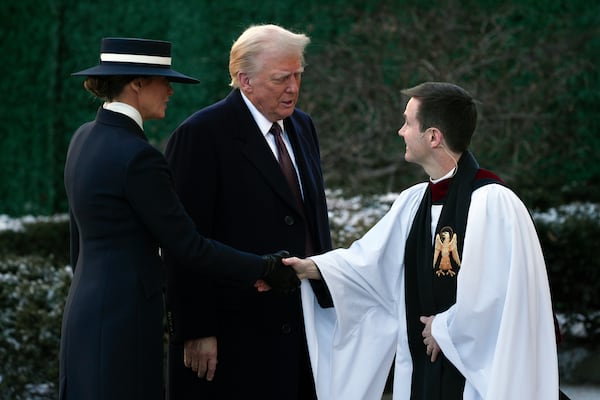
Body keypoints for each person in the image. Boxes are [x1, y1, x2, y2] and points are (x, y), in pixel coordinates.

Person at [284, 82, 559, 399]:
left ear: (433, 137)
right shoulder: (412, 202)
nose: (400, 131)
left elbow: (501, 295)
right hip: (421, 373)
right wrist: (309, 267)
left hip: (473, 380)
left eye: (407, 122)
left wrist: (444, 328)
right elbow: (368, 263)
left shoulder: (494, 203)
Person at [59, 37, 294, 400]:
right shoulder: (139, 158)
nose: (169, 90)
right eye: (162, 81)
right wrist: (265, 268)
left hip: (83, 313)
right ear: (137, 84)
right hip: (125, 320)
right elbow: (189, 246)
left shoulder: (84, 137)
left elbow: (79, 240)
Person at [162, 24, 332, 400]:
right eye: (280, 78)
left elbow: (313, 222)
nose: (293, 87)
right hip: (232, 333)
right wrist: (196, 328)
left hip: (302, 326)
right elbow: (183, 241)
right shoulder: (201, 135)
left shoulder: (303, 126)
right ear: (244, 80)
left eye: (298, 76)